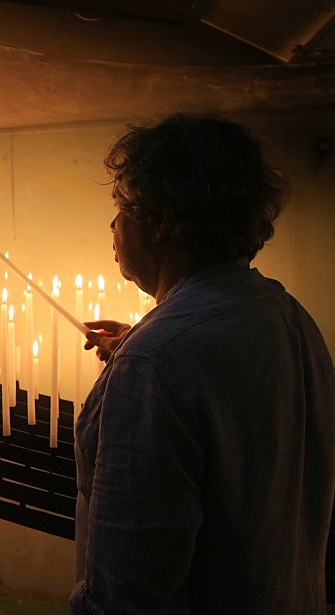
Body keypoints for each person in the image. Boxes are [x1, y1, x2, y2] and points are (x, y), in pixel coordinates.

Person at [70, 113, 335, 613]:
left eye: (122, 207)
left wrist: (145, 361)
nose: (113, 225)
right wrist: (144, 348)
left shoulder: (154, 364)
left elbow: (126, 594)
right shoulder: (287, 315)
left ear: (163, 218)